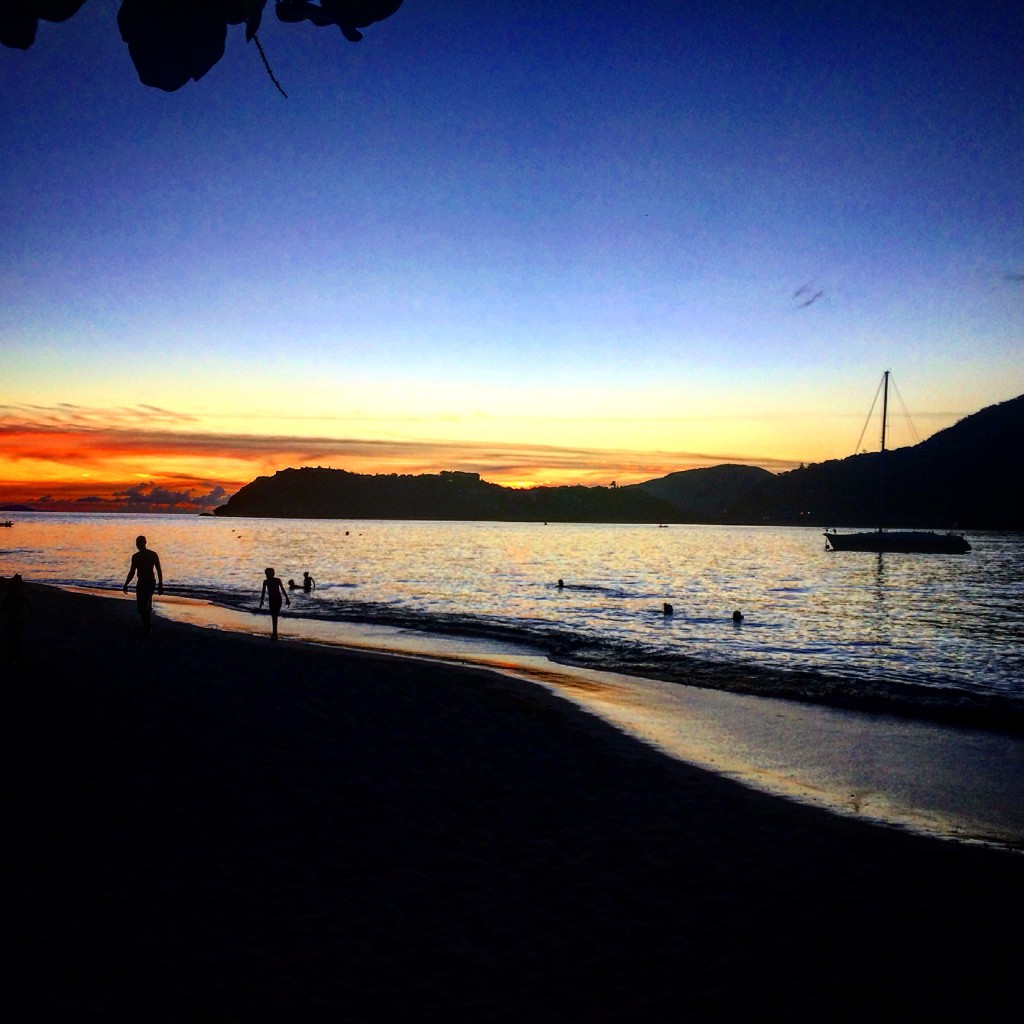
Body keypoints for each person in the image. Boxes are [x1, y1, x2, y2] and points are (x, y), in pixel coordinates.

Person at [123, 535, 163, 635]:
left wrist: (160, 584)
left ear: (144, 543)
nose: (137, 545)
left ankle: (148, 628)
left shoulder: (150, 555)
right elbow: (132, 572)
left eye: (139, 543)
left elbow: (158, 570)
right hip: (143, 582)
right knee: (142, 606)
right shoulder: (137, 556)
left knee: (145, 604)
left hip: (149, 582)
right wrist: (126, 584)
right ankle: (147, 627)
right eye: (137, 543)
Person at [2, 572, 32, 667]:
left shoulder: (10, 593)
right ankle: (17, 659)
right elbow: (29, 604)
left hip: (13, 617)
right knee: (16, 638)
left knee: (12, 638)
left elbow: (3, 606)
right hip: (18, 617)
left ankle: (13, 658)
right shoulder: (20, 593)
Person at [259, 567, 290, 640]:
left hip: (277, 599)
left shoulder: (276, 580)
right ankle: (274, 633)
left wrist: (287, 598)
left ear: (272, 574)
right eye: (266, 574)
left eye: (268, 573)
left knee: (275, 616)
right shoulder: (266, 582)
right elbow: (263, 592)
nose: (267, 575)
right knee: (274, 616)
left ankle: (275, 633)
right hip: (272, 599)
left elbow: (282, 589)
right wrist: (261, 601)